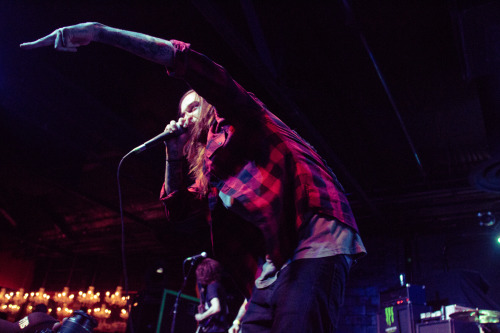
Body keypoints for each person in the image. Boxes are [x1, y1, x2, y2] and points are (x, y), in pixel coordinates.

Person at [21, 22, 367, 332]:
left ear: (209, 106)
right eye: (181, 112)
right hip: (274, 262)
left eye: (193, 107)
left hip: (314, 232)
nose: (185, 116)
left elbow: (187, 62)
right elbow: (178, 209)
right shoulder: (212, 172)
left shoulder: (240, 114)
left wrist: (99, 32)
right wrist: (173, 153)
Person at [194, 258, 230, 333]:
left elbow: (216, 307)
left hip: (216, 329)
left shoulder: (212, 286)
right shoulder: (216, 285)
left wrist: (202, 316)